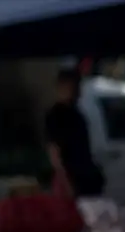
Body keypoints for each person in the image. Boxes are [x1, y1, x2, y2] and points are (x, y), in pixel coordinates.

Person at [44, 69, 105, 198]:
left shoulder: (78, 115)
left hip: (84, 180)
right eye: (74, 87)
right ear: (62, 87)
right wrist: (67, 183)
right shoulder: (55, 116)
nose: (78, 92)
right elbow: (55, 153)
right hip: (70, 181)